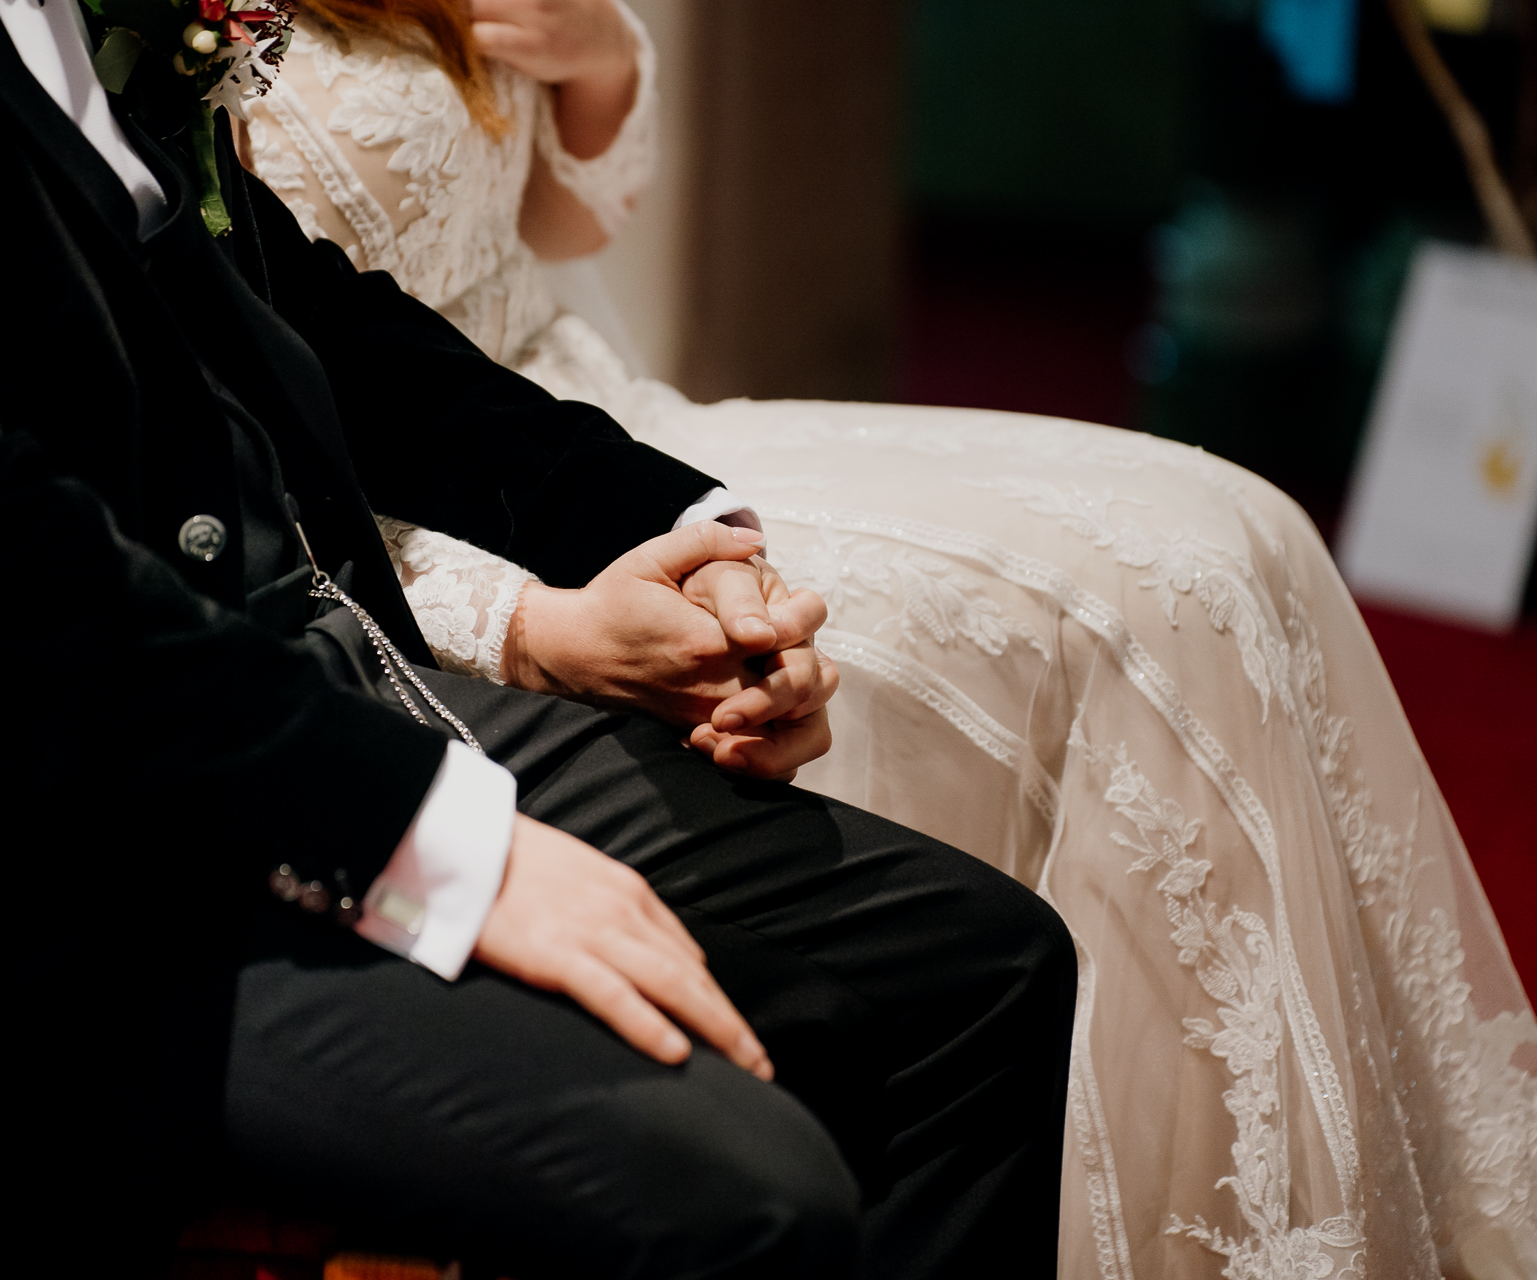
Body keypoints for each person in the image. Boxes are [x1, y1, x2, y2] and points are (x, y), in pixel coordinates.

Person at [0, 2, 1077, 1278]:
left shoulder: (89, 20)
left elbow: (289, 309)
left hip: (268, 682)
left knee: (978, 975)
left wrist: (677, 532)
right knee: (752, 1193)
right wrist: (445, 839)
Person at [229, 1, 1537, 1276]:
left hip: (564, 426)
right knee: (1130, 630)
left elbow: (535, 246)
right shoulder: (167, 53)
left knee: (1231, 541)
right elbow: (254, 454)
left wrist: (598, 61)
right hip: (407, 552)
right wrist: (535, 624)